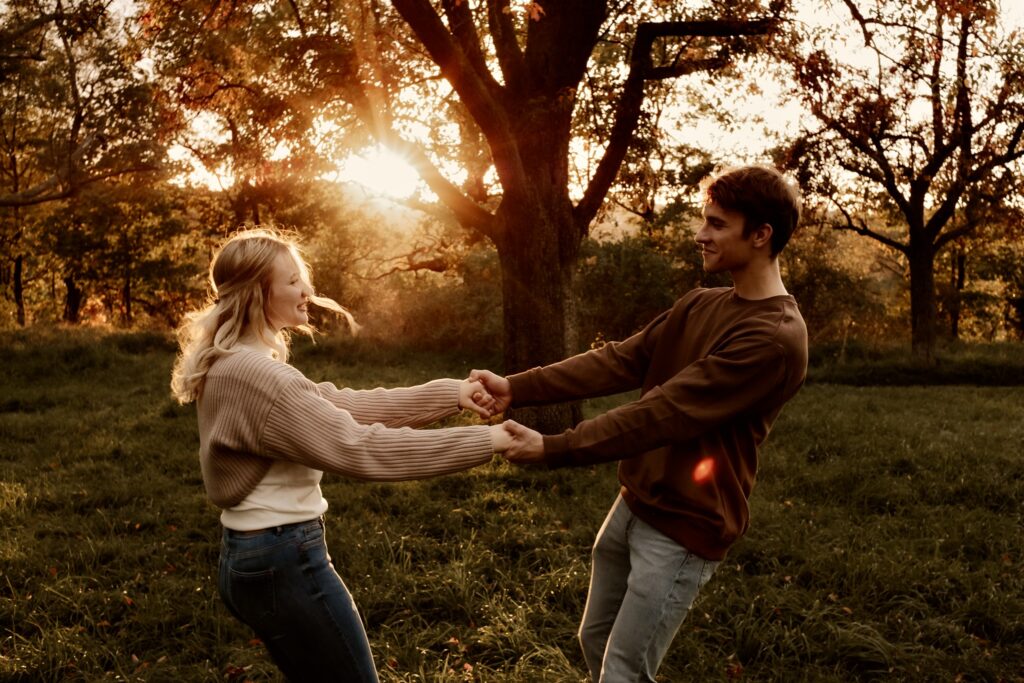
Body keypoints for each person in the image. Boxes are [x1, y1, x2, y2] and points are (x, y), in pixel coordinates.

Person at [472, 165, 809, 682]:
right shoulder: (703, 302)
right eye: (705, 221)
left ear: (761, 235)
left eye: (717, 225)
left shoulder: (773, 338)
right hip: (634, 502)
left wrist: (555, 447)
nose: (701, 235)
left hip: (685, 525)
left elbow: (663, 412)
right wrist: (517, 386)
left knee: (624, 670)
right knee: (596, 641)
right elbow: (620, 361)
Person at [170, 228, 509, 682]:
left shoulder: (235, 362)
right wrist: (489, 442)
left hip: (253, 557)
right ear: (257, 291)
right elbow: (358, 447)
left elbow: (339, 405)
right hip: (284, 558)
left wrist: (453, 394)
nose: (306, 290)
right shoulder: (258, 376)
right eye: (292, 281)